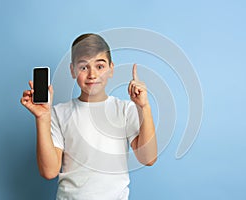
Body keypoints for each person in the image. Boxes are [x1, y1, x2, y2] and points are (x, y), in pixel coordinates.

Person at [20, 33, 157, 199]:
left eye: (100, 66)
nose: (92, 74)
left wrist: (144, 107)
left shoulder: (125, 110)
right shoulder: (58, 113)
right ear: (73, 70)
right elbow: (49, 171)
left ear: (111, 69)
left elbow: (148, 158)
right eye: (84, 67)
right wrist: (42, 118)